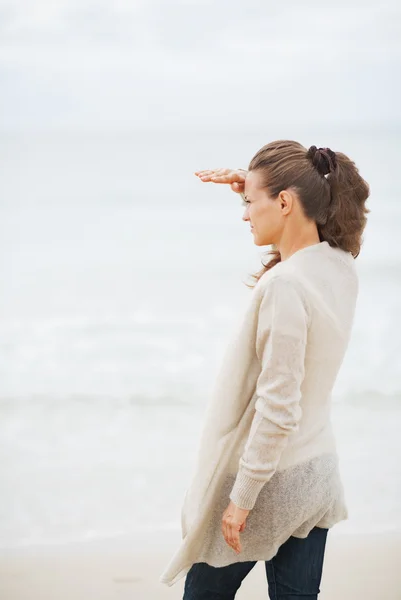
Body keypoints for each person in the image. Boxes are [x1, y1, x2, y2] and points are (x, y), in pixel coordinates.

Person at [159, 140, 370, 599]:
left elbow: (278, 405)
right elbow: (297, 227)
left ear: (286, 203)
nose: (243, 214)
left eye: (249, 203)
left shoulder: (285, 287)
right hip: (315, 478)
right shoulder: (339, 267)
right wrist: (254, 188)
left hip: (268, 485)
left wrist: (242, 499)